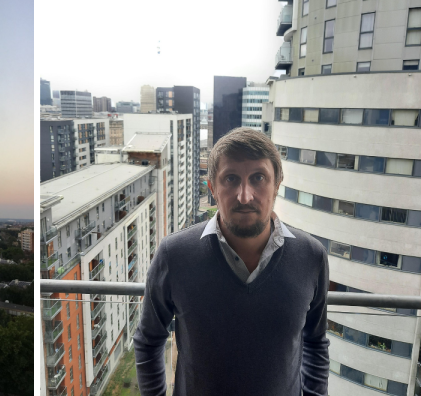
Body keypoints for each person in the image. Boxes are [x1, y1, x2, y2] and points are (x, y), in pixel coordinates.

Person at [133, 128, 329, 396]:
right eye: (231, 179)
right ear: (212, 187)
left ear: (277, 185)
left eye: (258, 178)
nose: (244, 196)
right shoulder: (174, 255)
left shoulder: (311, 257)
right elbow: (148, 339)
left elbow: (316, 342)